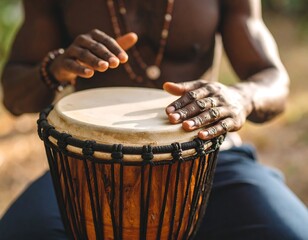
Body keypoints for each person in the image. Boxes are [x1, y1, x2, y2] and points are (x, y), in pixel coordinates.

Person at [1, 0, 308, 239]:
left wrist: (242, 97)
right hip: (88, 167)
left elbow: (273, 79)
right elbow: (14, 95)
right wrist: (54, 68)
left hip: (205, 160)